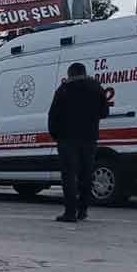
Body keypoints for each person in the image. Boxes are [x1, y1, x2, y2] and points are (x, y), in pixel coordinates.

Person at [48, 62, 110, 222]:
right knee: (86, 175)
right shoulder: (96, 88)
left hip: (67, 139)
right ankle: (83, 210)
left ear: (70, 74)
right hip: (89, 138)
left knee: (69, 175)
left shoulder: (63, 90)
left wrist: (56, 135)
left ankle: (70, 212)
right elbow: (104, 112)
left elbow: (53, 115)